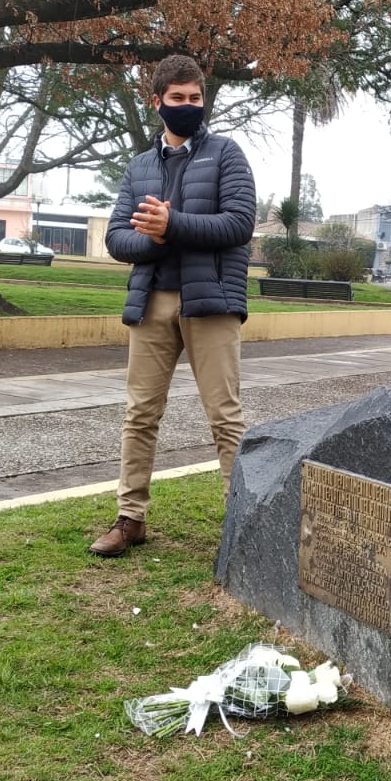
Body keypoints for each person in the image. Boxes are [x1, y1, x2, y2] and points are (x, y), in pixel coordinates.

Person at [90, 55, 257, 558]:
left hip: (212, 303)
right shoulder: (140, 166)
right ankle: (130, 518)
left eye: (195, 98)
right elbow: (119, 240)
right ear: (157, 100)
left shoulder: (227, 154)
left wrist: (171, 225)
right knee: (140, 413)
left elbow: (238, 225)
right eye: (178, 98)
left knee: (225, 415)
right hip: (153, 303)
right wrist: (160, 239)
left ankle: (243, 524)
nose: (188, 106)